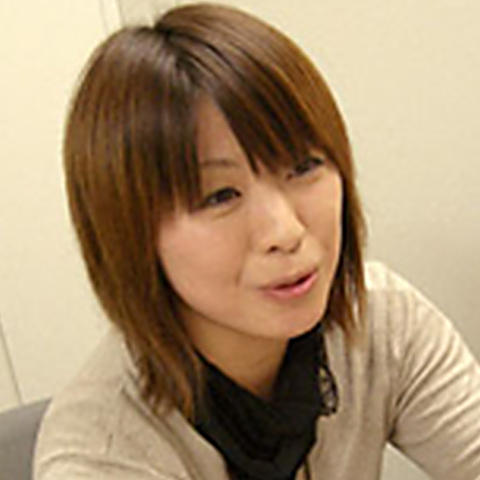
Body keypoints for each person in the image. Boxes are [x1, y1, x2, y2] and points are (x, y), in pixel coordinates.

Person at [33, 3, 480, 479]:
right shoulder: (100, 452)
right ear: (130, 233)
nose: (285, 232)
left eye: (304, 167)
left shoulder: (381, 320)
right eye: (220, 196)